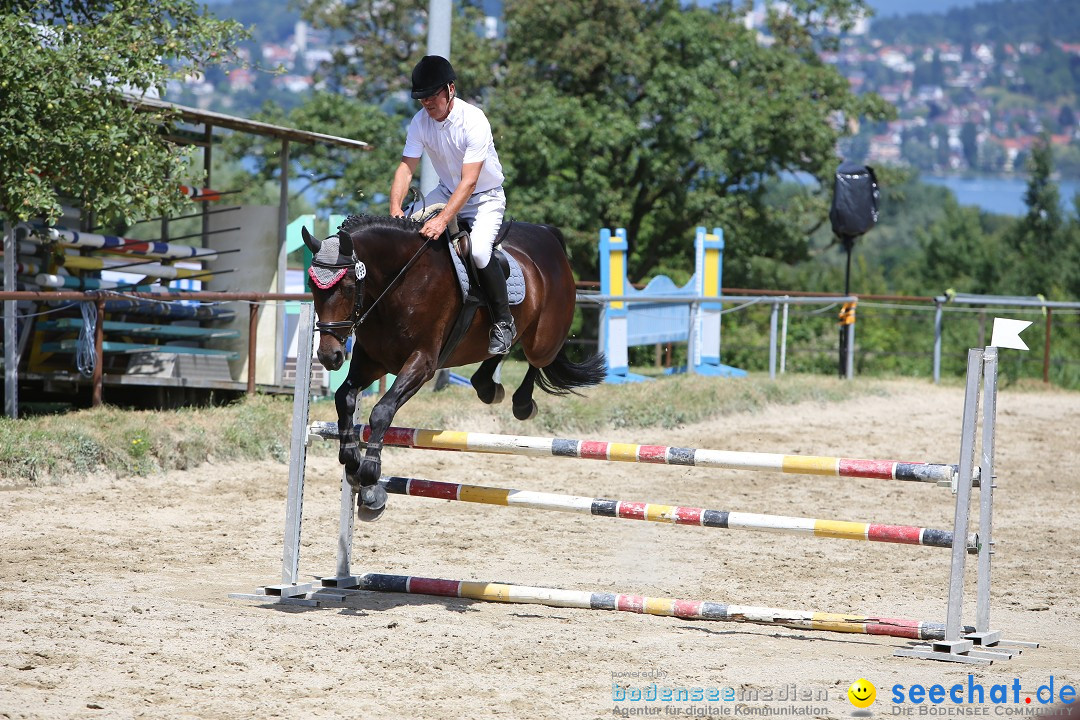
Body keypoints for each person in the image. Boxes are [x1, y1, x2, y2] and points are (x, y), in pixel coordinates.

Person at [388, 54, 516, 356]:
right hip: (446, 191)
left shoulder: (474, 121)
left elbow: (470, 182)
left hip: (484, 197)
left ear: (450, 90)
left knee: (480, 251)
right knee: (402, 234)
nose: (428, 104)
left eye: (433, 96)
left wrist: (443, 220)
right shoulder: (419, 123)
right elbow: (406, 168)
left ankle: (503, 322)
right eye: (422, 99)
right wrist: (396, 208)